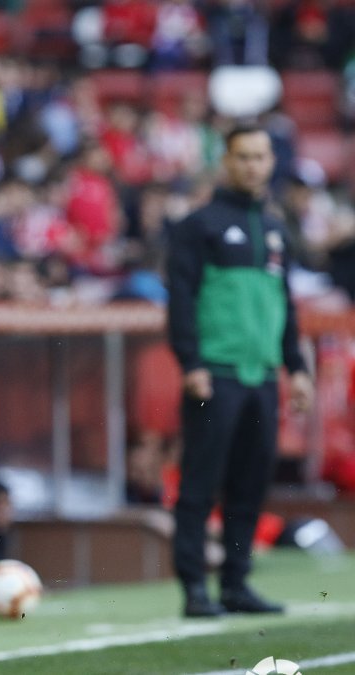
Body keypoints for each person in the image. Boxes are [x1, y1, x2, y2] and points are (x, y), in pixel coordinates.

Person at [166, 124, 314, 618]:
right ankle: (193, 588)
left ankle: (236, 583)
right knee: (200, 483)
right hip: (216, 372)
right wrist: (191, 361)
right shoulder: (198, 225)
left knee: (251, 484)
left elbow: (284, 304)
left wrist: (296, 367)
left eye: (260, 156)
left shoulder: (275, 230)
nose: (253, 165)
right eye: (243, 156)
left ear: (272, 162)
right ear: (226, 161)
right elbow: (181, 300)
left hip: (261, 376)